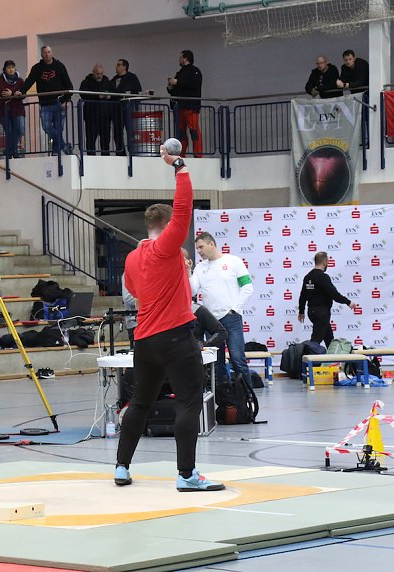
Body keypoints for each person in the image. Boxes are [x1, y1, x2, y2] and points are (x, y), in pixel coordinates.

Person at [116, 145, 224, 492]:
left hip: (144, 341)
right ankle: (187, 475)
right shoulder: (166, 248)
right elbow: (184, 208)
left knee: (140, 403)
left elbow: (137, 292)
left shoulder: (133, 258)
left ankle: (121, 467)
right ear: (167, 227)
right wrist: (179, 166)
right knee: (190, 402)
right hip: (175, 338)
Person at [191, 232, 254, 383]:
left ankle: (247, 399)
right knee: (216, 363)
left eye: (201, 247)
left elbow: (247, 287)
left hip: (230, 318)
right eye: (197, 248)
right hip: (211, 321)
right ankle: (224, 399)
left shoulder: (234, 261)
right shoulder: (200, 267)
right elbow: (192, 291)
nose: (199, 251)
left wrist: (234, 309)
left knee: (237, 358)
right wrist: (188, 271)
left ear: (211, 244)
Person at [21, 46, 74, 156]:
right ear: (41, 54)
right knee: (46, 127)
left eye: (49, 52)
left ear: (52, 53)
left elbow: (69, 85)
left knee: (58, 128)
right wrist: (21, 91)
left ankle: (55, 151)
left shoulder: (59, 66)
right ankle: (64, 145)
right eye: (44, 52)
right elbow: (29, 81)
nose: (47, 54)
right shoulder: (37, 68)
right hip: (45, 104)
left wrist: (66, 100)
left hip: (59, 102)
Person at [298, 251, 355, 348]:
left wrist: (301, 311)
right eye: (327, 262)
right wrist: (348, 302)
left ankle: (333, 360)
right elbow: (334, 294)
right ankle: (308, 361)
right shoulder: (323, 277)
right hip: (321, 312)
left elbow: (303, 295)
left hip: (311, 311)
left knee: (329, 339)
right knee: (316, 340)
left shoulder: (308, 277)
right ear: (324, 262)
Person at [109, 59, 142, 156]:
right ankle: (120, 153)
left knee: (130, 132)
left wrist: (135, 106)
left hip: (128, 108)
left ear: (124, 66)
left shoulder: (132, 78)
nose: (116, 67)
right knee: (117, 133)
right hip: (116, 109)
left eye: (119, 65)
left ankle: (133, 153)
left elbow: (138, 92)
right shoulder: (113, 79)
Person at [0, 60, 26, 159]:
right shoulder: (0, 80)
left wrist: (11, 93)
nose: (11, 69)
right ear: (5, 69)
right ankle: (14, 152)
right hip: (5, 110)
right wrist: (14, 93)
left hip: (18, 109)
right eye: (8, 67)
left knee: (20, 130)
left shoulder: (20, 80)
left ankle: (9, 149)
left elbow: (22, 94)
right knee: (9, 132)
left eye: (12, 67)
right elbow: (1, 92)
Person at [79, 64, 111, 156]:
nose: (99, 76)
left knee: (105, 139)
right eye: (97, 73)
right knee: (91, 139)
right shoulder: (86, 82)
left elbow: (113, 92)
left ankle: (106, 157)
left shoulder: (107, 82)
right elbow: (83, 94)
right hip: (91, 115)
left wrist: (109, 96)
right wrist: (97, 96)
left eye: (101, 73)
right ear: (93, 73)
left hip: (105, 116)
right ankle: (90, 157)